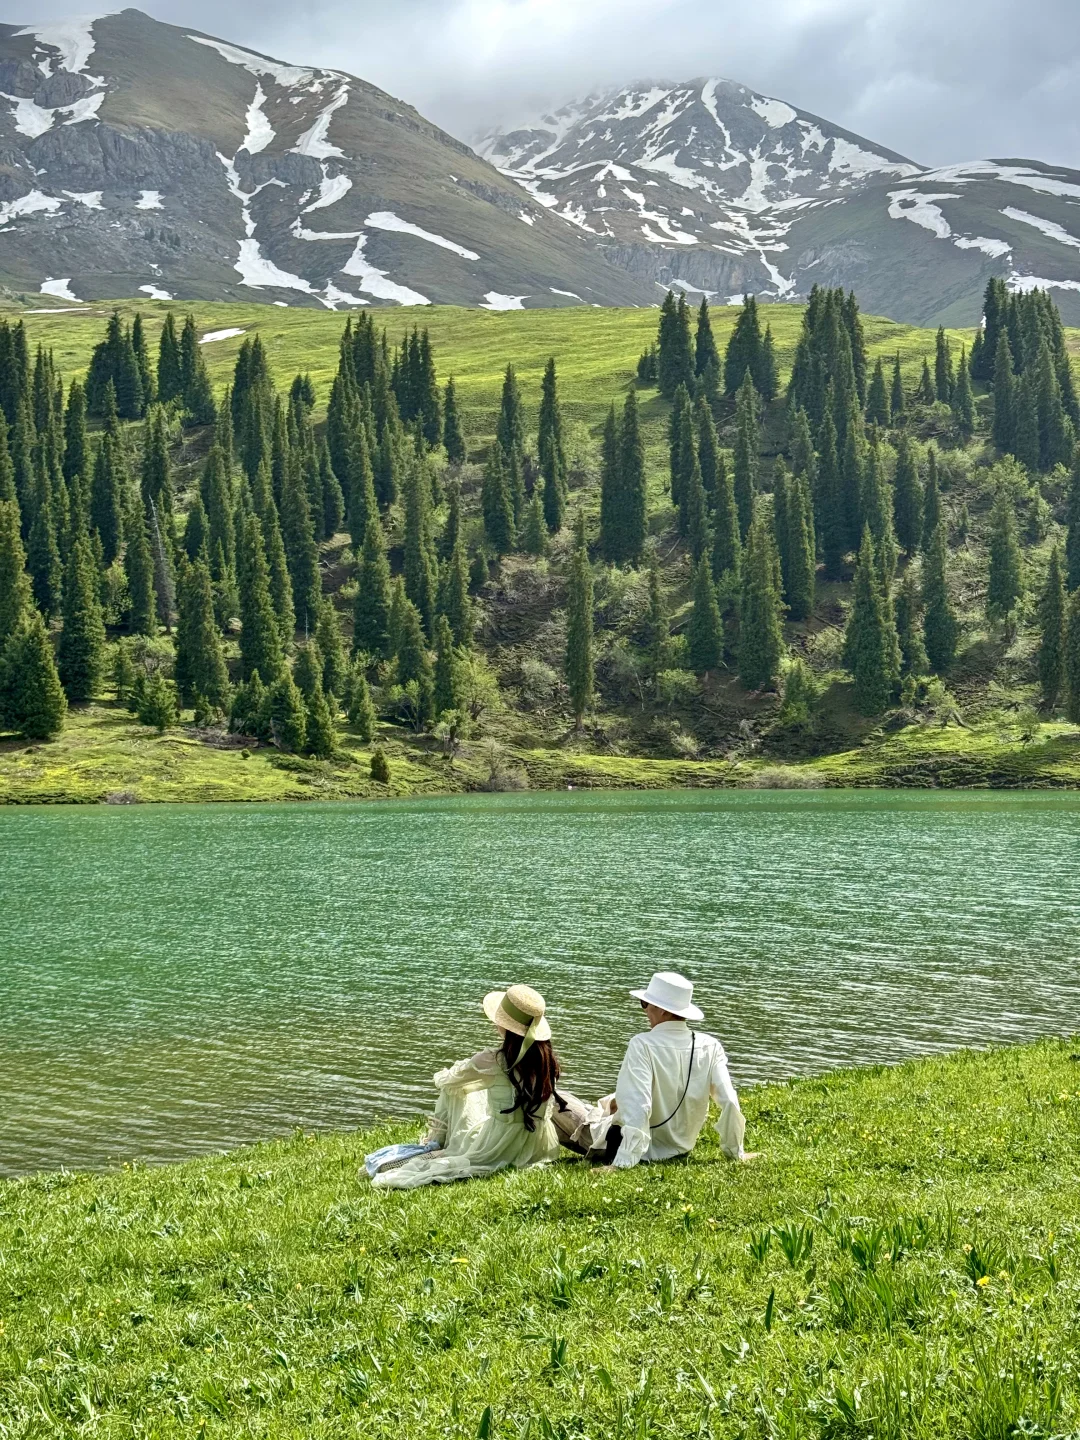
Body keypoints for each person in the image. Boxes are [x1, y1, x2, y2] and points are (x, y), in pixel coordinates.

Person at [369, 984, 565, 1189]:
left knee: (453, 1088)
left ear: (505, 1026)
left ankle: (435, 1141)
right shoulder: (547, 1062)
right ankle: (437, 1142)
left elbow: (446, 1080)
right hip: (539, 1146)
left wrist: (465, 1071)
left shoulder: (493, 1060)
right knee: (482, 1085)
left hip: (499, 1146)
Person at [556, 971, 757, 1169]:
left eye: (645, 1004)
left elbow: (639, 1106)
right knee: (609, 1102)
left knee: (550, 1099)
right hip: (680, 1147)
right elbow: (730, 1101)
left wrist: (623, 1162)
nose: (644, 1011)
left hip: (625, 1145)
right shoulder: (710, 1046)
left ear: (662, 1010)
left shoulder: (642, 1044)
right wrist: (735, 1152)